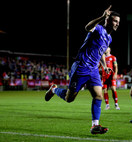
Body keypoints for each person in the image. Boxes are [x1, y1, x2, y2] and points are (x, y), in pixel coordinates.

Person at [45, 5, 120, 134]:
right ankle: (54, 89)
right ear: (107, 20)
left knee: (98, 95)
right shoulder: (99, 29)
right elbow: (87, 27)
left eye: (118, 22)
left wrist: (104, 65)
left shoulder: (109, 38)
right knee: (69, 98)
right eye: (114, 21)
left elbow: (101, 51)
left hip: (93, 70)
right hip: (81, 66)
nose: (117, 24)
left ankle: (95, 125)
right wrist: (101, 17)